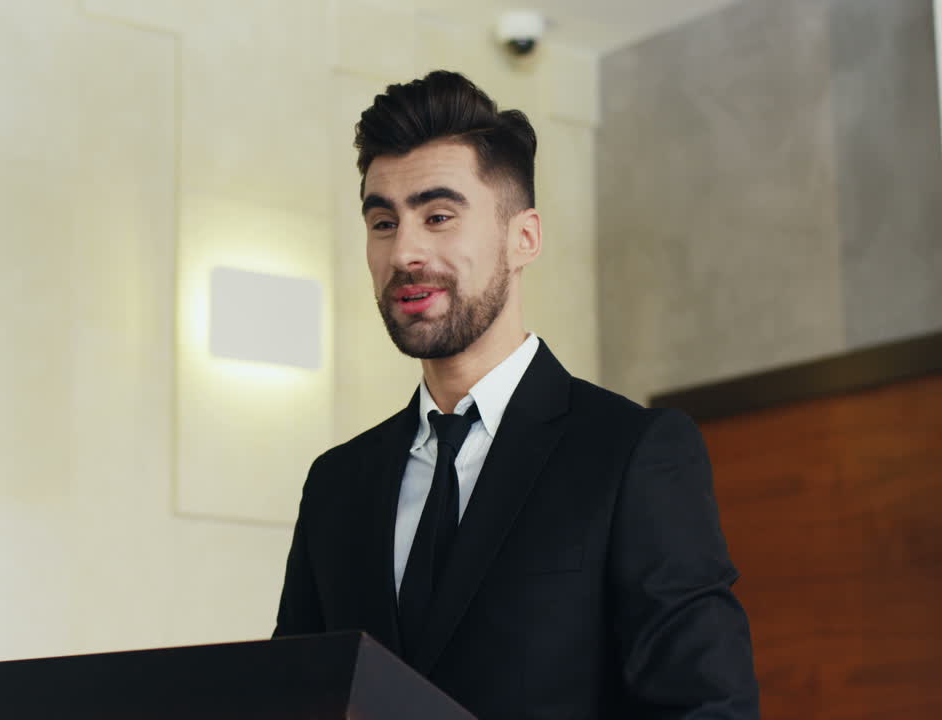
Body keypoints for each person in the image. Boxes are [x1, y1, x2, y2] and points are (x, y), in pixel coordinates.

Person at [272, 70, 759, 719]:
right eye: (383, 222)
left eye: (438, 215)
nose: (405, 251)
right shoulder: (336, 483)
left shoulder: (631, 452)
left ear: (523, 237)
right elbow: (294, 698)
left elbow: (704, 708)